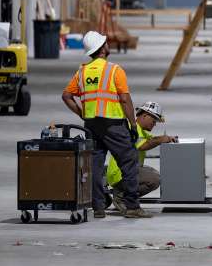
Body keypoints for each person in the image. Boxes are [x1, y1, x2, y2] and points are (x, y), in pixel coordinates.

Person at [61, 31, 152, 219]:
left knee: (94, 164)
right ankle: (133, 206)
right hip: (113, 125)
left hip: (91, 125)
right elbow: (125, 99)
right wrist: (133, 125)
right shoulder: (114, 70)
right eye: (105, 43)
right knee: (128, 161)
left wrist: (82, 113)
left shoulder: (82, 72)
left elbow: (67, 96)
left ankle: (98, 208)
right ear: (102, 48)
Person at [106, 101, 177, 211]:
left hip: (124, 170)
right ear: (145, 116)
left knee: (153, 173)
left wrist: (167, 138)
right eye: (154, 121)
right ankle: (122, 196)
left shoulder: (141, 131)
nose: (154, 124)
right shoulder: (132, 129)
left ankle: (123, 193)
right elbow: (144, 145)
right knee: (154, 179)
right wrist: (161, 139)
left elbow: (151, 139)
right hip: (120, 174)